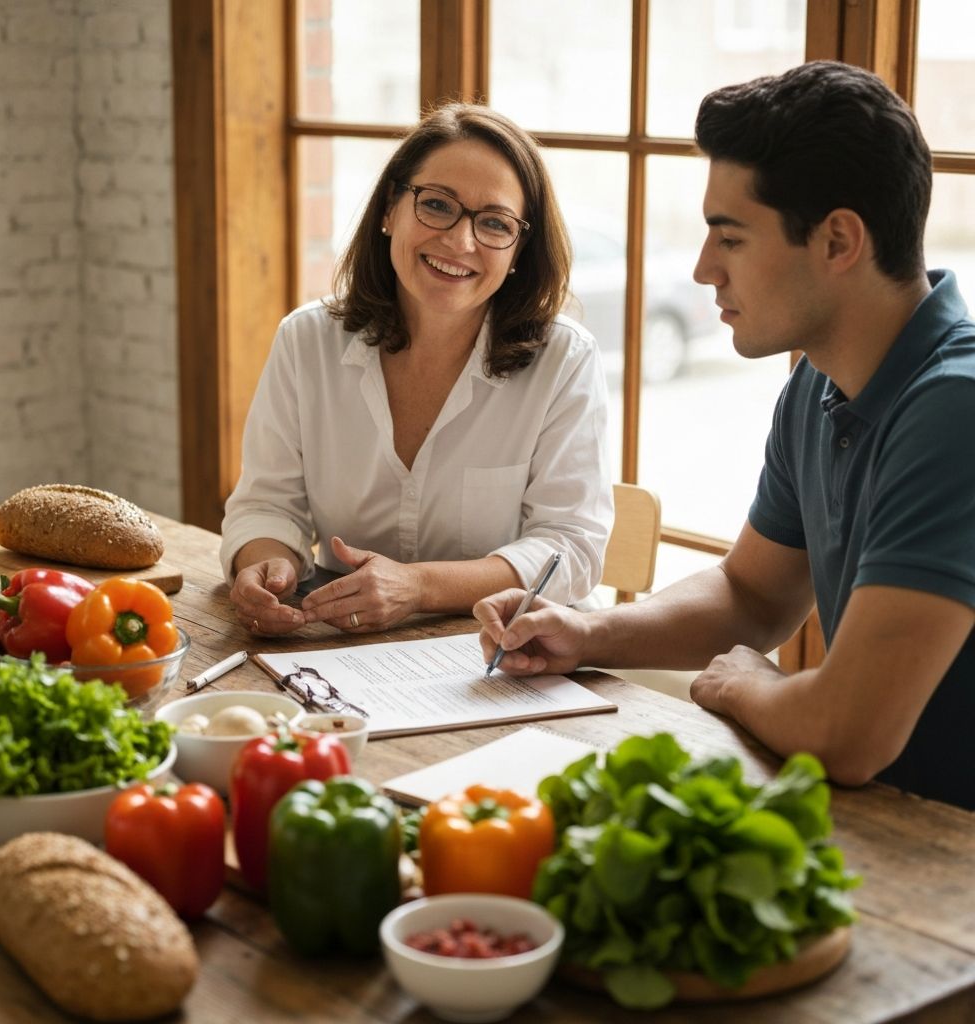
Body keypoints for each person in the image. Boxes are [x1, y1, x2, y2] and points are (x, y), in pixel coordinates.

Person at [475, 61, 975, 810]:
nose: (704, 269)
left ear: (839, 240)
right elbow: (751, 594)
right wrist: (585, 629)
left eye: (730, 238)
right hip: (893, 830)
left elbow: (848, 732)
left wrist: (750, 686)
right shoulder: (819, 384)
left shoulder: (956, 407)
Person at [221, 103, 613, 638]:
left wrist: (419, 587)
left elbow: (570, 547)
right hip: (341, 644)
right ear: (390, 209)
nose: (460, 241)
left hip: (505, 651)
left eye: (495, 222)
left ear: (520, 248)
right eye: (436, 205)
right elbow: (267, 503)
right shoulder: (305, 341)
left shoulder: (564, 361)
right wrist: (266, 564)